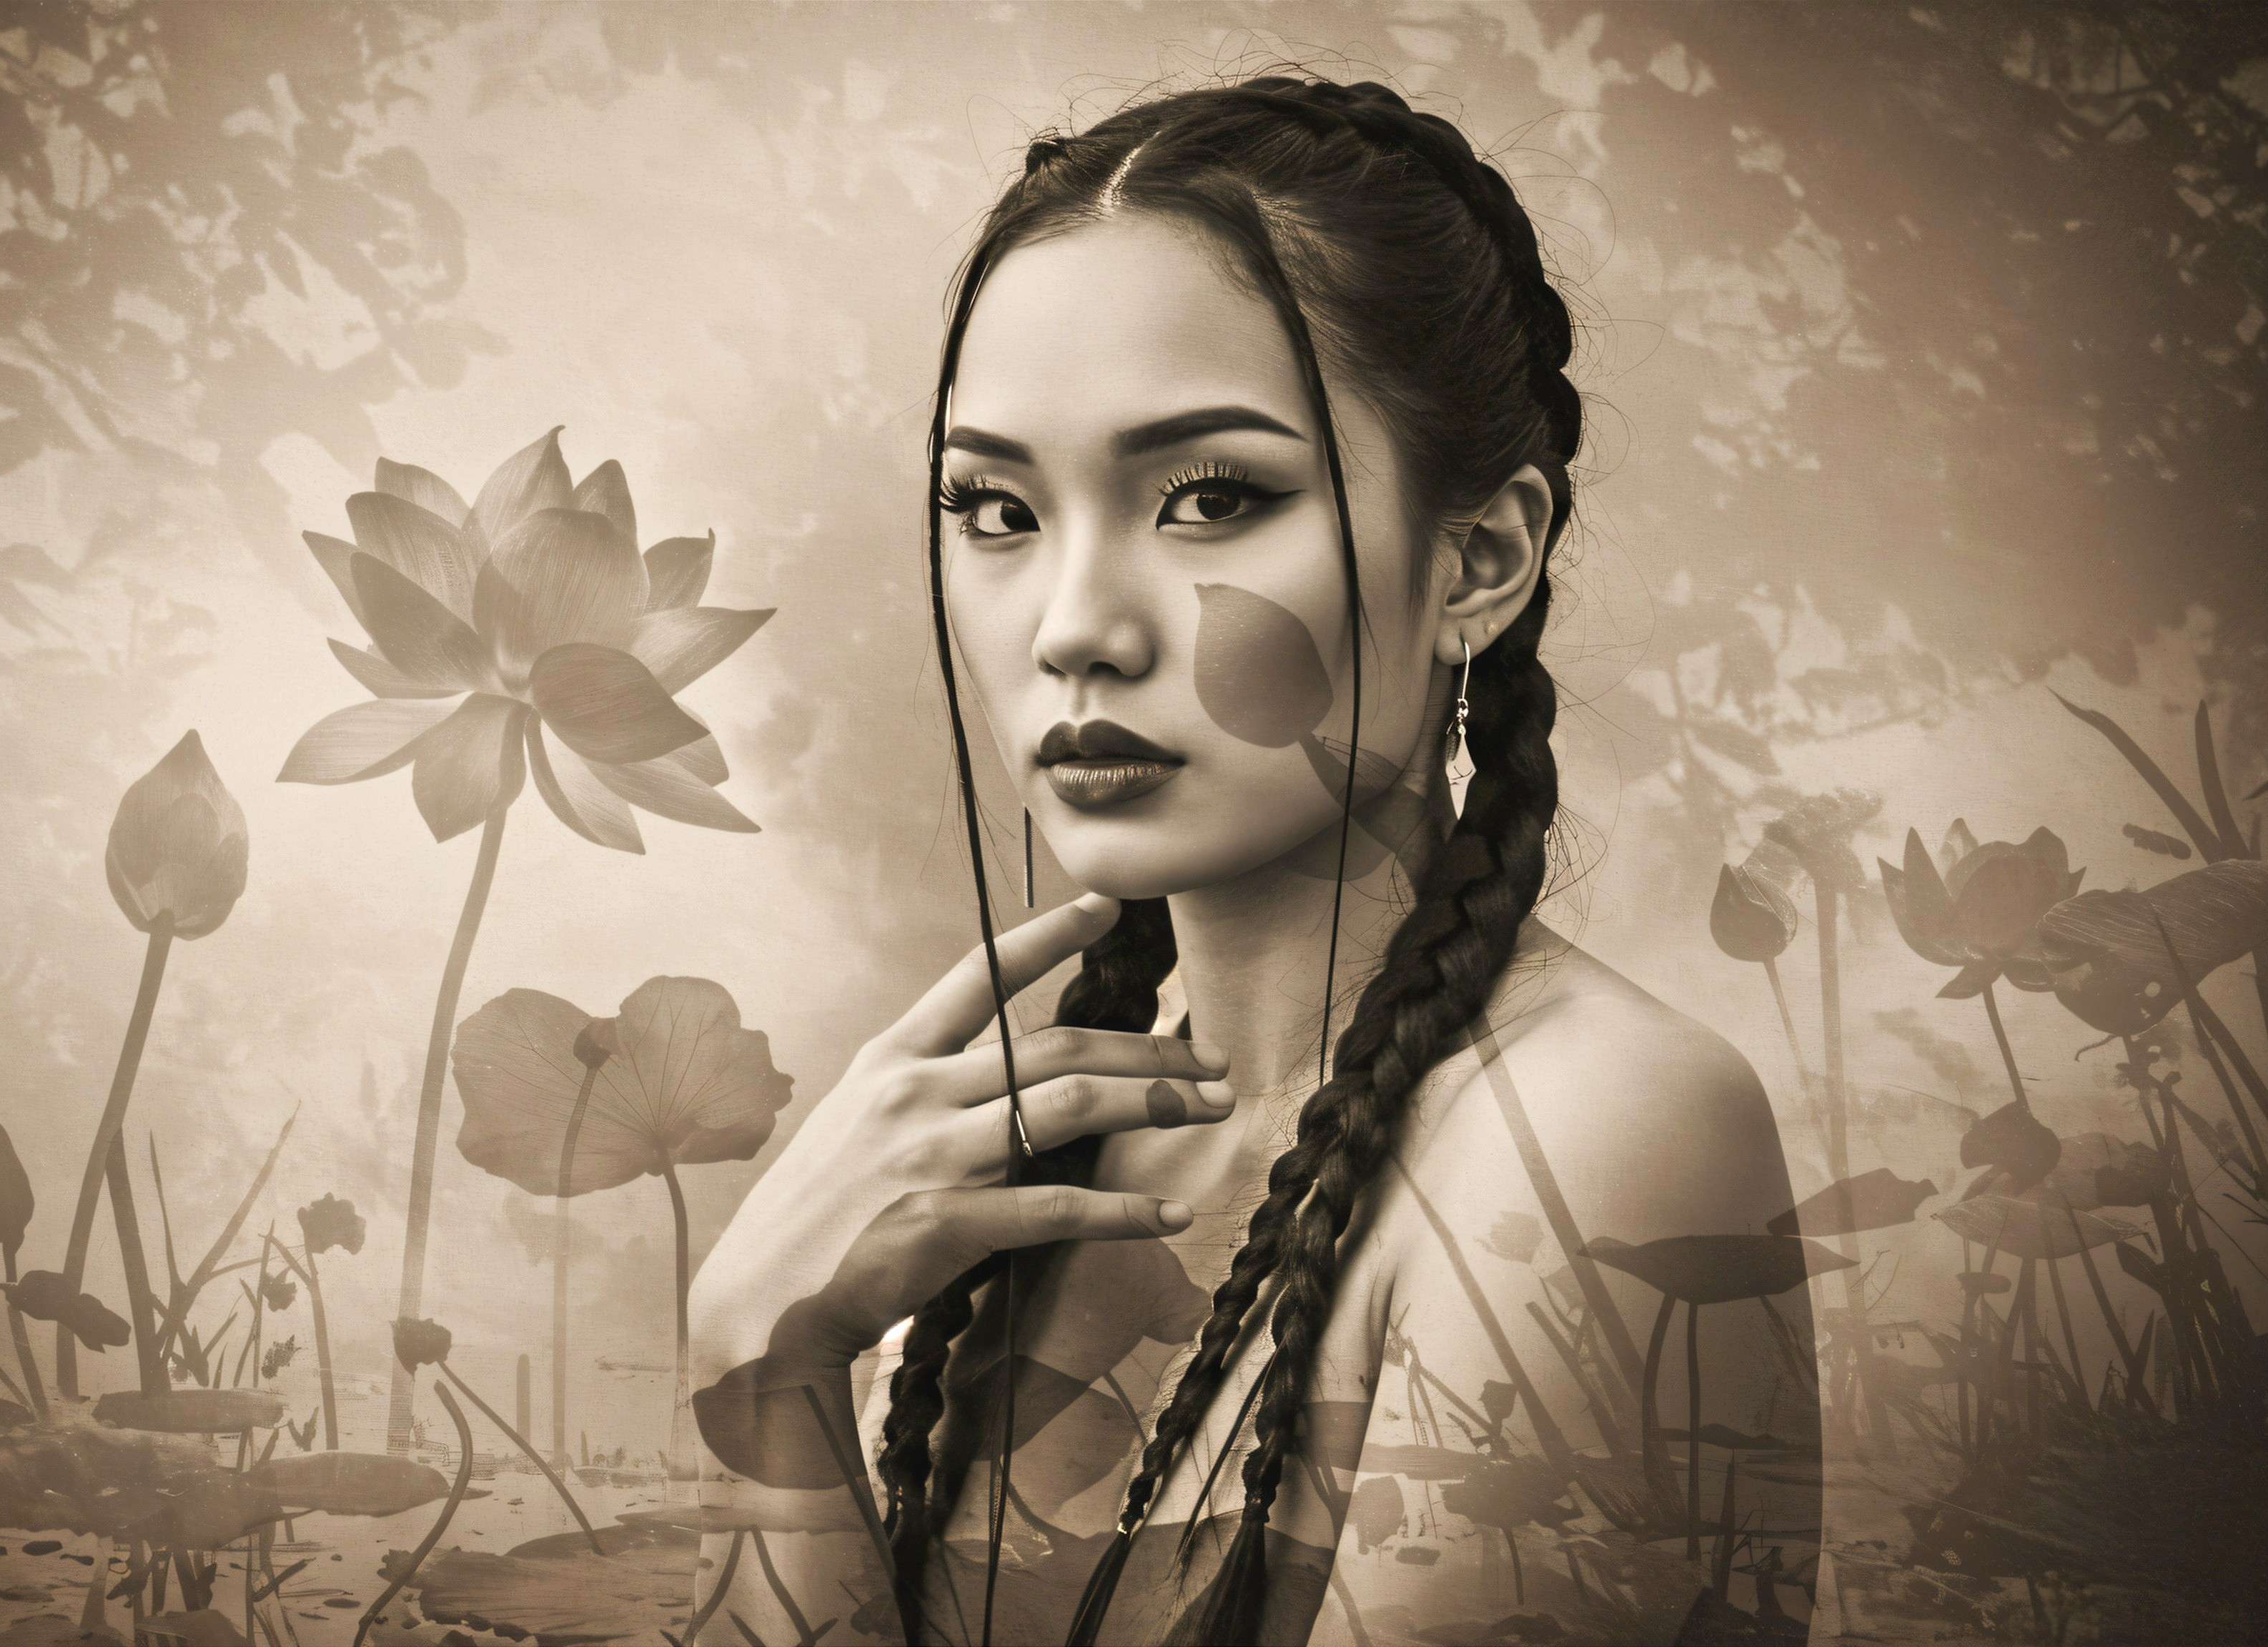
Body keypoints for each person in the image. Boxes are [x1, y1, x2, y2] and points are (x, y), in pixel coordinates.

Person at [686, 76, 1818, 1646]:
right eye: (996, 507)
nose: (1076, 624)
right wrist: (762, 1364)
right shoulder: (993, 1185)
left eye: (1212, 497)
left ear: (1479, 557)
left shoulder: (1603, 1131)